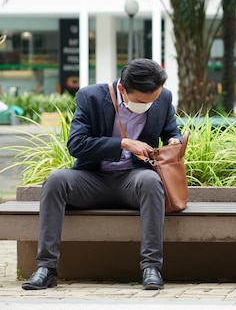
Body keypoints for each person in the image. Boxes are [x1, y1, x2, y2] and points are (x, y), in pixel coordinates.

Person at [22, 58, 182, 291]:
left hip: (133, 181)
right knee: (56, 180)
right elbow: (76, 144)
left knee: (150, 181)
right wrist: (124, 144)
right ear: (122, 89)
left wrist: (173, 139)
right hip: (92, 179)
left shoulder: (163, 98)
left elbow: (171, 129)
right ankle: (46, 268)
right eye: (140, 101)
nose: (147, 105)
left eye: (152, 101)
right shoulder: (91, 97)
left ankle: (151, 268)